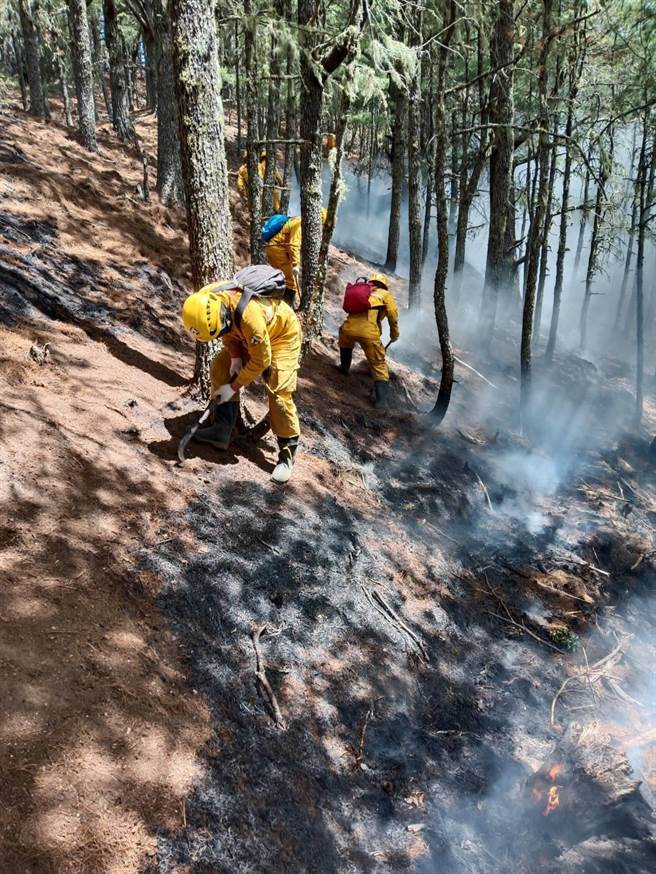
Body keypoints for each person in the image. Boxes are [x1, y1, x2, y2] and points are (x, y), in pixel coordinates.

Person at [180, 266, 302, 483]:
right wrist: (235, 357)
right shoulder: (209, 297)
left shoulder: (250, 316)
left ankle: (286, 455)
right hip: (245, 334)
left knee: (278, 391)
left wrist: (232, 387)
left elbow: (261, 361)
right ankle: (221, 430)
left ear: (223, 313)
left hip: (282, 336)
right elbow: (226, 333)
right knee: (219, 365)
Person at [337, 272, 400, 407]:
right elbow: (393, 315)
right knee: (379, 365)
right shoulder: (385, 294)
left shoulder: (364, 291)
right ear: (384, 285)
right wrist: (394, 334)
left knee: (345, 343)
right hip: (368, 333)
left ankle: (344, 368)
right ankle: (381, 402)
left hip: (347, 328)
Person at [265, 209, 327, 306]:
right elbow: (294, 244)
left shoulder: (299, 220)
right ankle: (286, 306)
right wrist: (295, 264)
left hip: (278, 250)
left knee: (285, 279)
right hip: (277, 250)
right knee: (291, 282)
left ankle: (280, 303)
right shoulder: (300, 224)